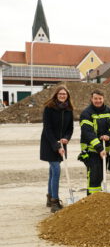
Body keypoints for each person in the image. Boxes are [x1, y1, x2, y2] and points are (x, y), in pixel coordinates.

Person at [40, 85, 74, 213]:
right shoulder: (49, 108)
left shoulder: (69, 110)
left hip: (61, 143)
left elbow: (70, 128)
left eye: (64, 94)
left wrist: (66, 138)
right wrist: (56, 145)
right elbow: (47, 129)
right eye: (60, 94)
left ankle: (49, 197)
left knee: (52, 172)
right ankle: (55, 200)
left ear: (67, 96)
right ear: (56, 95)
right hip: (49, 143)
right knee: (56, 169)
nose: (62, 96)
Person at [79, 89, 110, 195]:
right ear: (91, 99)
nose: (98, 101)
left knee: (101, 174)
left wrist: (109, 135)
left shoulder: (109, 111)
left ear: (103, 99)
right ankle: (92, 198)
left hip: (105, 150)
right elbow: (88, 133)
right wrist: (99, 148)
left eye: (100, 98)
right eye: (95, 98)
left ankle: (99, 198)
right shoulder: (86, 113)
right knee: (94, 174)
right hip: (91, 150)